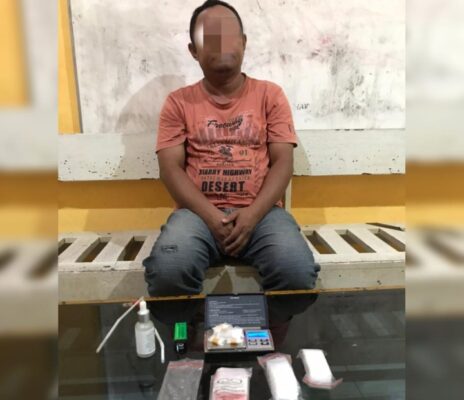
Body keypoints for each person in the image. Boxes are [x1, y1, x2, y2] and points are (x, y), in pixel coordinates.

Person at [143, 0, 320, 296]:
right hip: (196, 215)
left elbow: (283, 162)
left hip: (262, 212)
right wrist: (212, 217)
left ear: (244, 42)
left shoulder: (270, 95)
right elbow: (170, 169)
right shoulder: (178, 102)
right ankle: (195, 324)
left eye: (228, 34)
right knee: (168, 270)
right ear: (194, 50)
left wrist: (252, 215)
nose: (221, 44)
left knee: (295, 270)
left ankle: (271, 326)